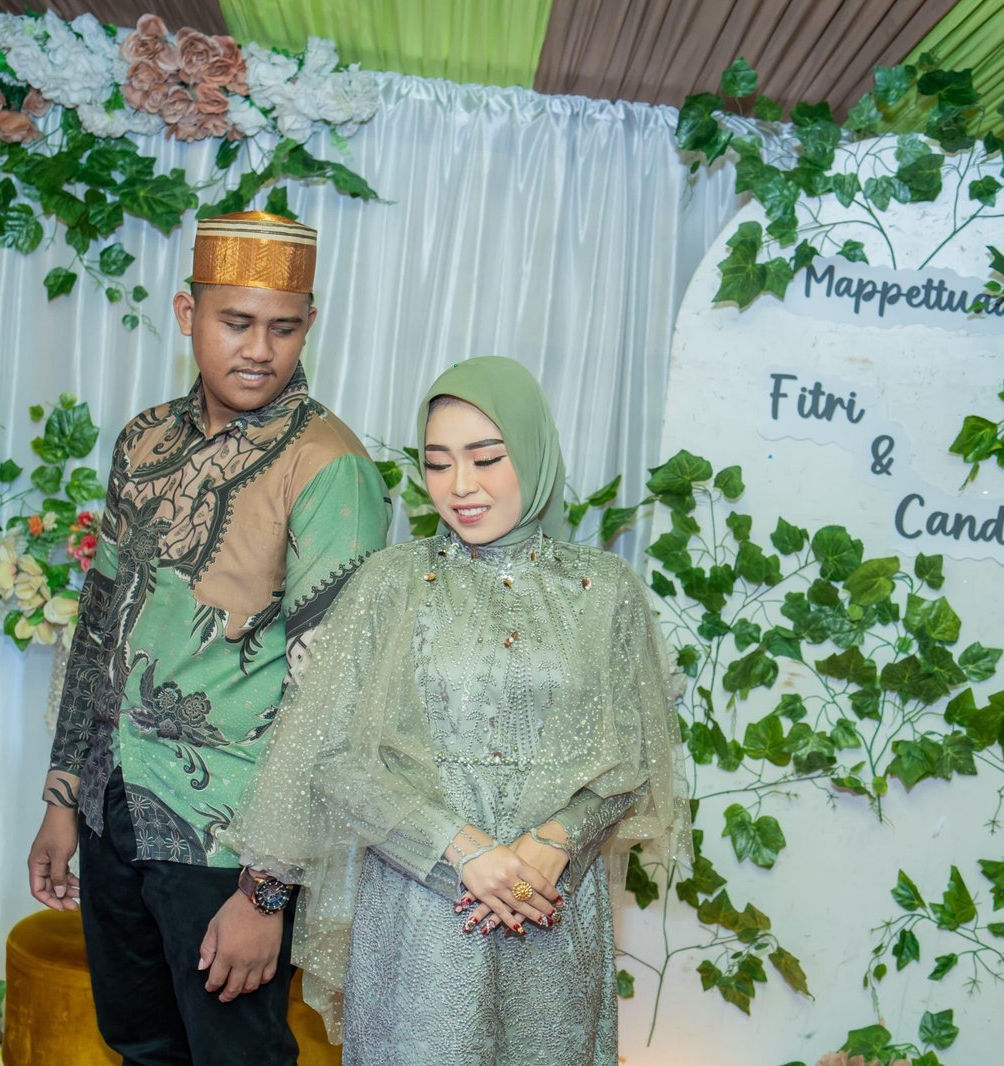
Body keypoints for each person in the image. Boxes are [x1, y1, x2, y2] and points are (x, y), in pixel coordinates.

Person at [219, 356, 691, 1065]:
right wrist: (462, 851)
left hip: (551, 911)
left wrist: (554, 843)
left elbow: (633, 755)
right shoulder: (389, 584)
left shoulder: (605, 590)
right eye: (438, 464)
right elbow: (335, 758)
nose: (460, 486)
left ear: (532, 451)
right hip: (421, 917)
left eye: (487, 458)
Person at [25, 211, 390, 1066]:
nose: (260, 349)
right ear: (188, 313)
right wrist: (63, 797)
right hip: (112, 807)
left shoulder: (329, 467)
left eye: (284, 327)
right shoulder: (143, 440)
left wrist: (266, 894)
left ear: (310, 324)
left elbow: (333, 700)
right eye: (237, 322)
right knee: (138, 1045)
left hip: (229, 838)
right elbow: (100, 625)